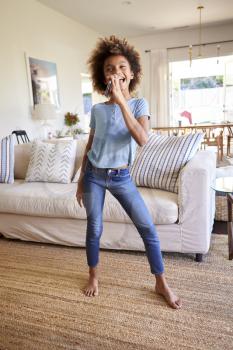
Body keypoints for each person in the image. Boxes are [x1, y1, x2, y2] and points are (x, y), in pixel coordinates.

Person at [76, 35, 182, 309]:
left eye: (122, 67)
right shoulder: (97, 109)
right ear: (103, 76)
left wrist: (122, 101)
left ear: (131, 73)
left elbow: (142, 138)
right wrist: (80, 180)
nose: (116, 72)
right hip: (94, 176)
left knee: (147, 228)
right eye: (109, 68)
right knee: (94, 228)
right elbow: (90, 146)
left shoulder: (139, 105)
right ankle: (93, 277)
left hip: (122, 177)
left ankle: (161, 282)